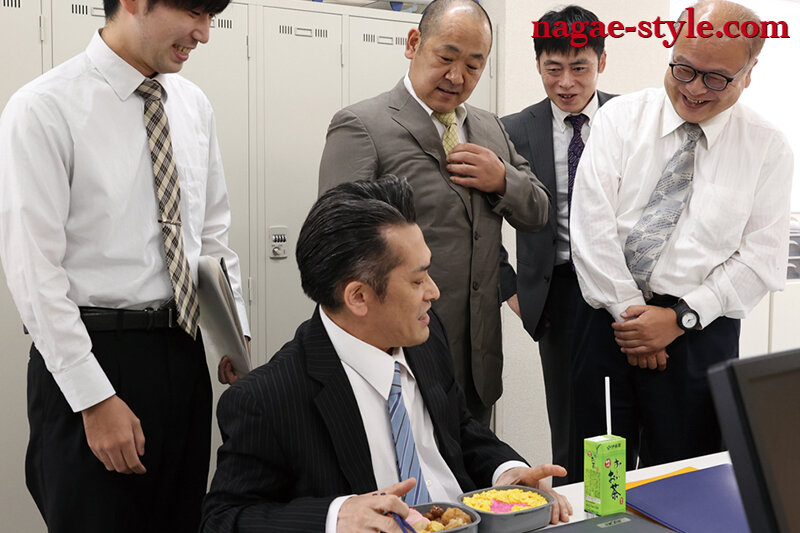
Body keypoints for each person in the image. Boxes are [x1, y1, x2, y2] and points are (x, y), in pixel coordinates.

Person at [0, 0, 250, 531]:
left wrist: (233, 334)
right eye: (194, 11)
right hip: (95, 356)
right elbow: (34, 272)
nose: (204, 33)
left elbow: (211, 237)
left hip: (183, 351)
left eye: (211, 16)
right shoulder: (44, 107)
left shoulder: (192, 105)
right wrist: (94, 399)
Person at [201, 176, 571, 533]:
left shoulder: (426, 337)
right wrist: (335, 517)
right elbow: (222, 519)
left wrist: (506, 472)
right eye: (417, 280)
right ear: (358, 297)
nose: (434, 292)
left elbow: (458, 429)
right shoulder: (267, 399)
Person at [570, 0, 793, 470]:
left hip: (700, 332)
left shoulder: (767, 147)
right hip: (611, 323)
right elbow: (591, 226)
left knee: (686, 477)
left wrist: (678, 320)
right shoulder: (619, 118)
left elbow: (760, 257)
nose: (693, 89)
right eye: (684, 69)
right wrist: (634, 320)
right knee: (595, 478)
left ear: (749, 73)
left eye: (716, 78)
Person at [318, 0, 550, 424]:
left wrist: (502, 179)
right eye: (446, 57)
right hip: (397, 354)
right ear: (413, 43)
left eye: (474, 66)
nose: (457, 77)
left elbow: (538, 211)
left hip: (477, 361)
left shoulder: (490, 128)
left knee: (476, 464)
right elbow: (335, 245)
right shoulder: (363, 125)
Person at [499, 5, 614, 485]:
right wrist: (510, 288)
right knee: (571, 421)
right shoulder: (511, 130)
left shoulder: (629, 119)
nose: (566, 82)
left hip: (628, 289)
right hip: (558, 293)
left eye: (580, 67)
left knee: (630, 414)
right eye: (553, 68)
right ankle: (578, 509)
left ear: (601, 61)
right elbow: (478, 225)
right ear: (538, 65)